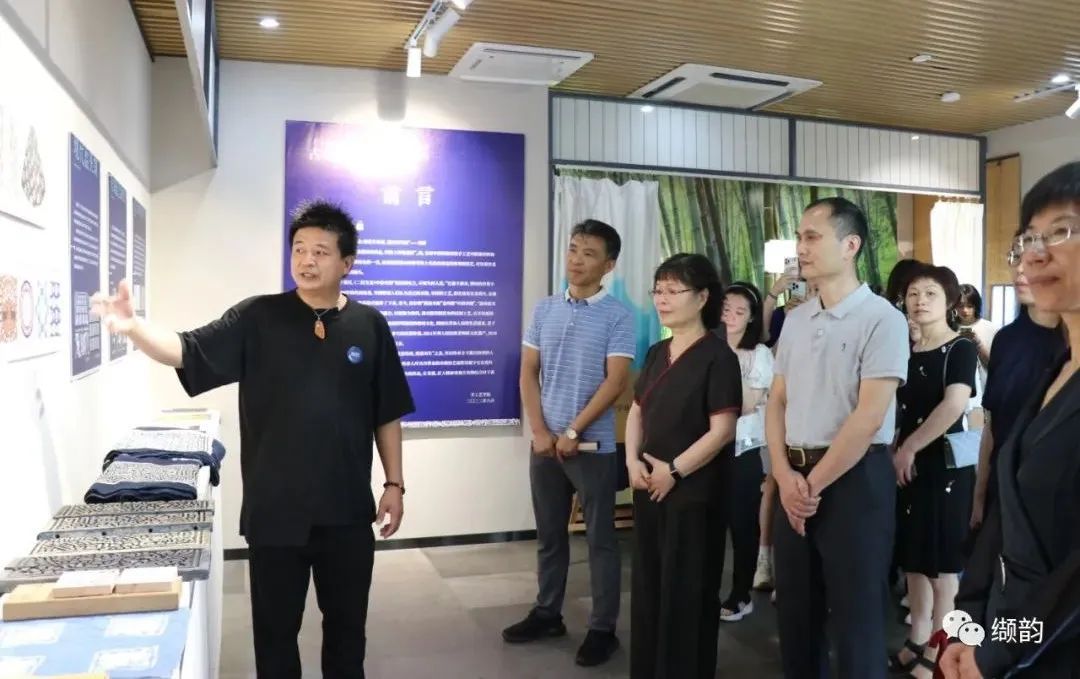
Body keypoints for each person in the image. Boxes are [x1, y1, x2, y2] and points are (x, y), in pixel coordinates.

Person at [91, 201, 414, 679]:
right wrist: (134, 328)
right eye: (299, 249)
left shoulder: (370, 325)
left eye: (321, 251)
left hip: (346, 512)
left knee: (348, 636)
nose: (306, 260)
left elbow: (386, 412)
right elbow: (187, 349)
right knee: (275, 638)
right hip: (275, 515)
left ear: (347, 263)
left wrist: (394, 484)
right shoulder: (258, 317)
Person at [940, 161, 1080, 678]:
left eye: (1061, 231)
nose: (1036, 253)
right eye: (1028, 238)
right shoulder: (1053, 370)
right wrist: (968, 628)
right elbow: (1004, 519)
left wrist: (996, 651)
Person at [765, 196, 910, 679]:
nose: (801, 248)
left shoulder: (882, 318)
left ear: (851, 246)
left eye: (812, 237)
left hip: (854, 480)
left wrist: (811, 486)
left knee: (856, 619)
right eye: (799, 237)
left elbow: (869, 418)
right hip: (794, 478)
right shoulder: (795, 319)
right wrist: (784, 475)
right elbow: (777, 401)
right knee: (796, 615)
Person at [502, 219, 634, 668]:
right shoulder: (545, 310)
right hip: (545, 448)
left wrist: (575, 431)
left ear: (608, 265)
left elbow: (616, 381)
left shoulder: (618, 315)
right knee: (549, 535)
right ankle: (547, 613)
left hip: (593, 449)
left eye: (588, 253)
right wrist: (540, 431)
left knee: (601, 541)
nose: (576, 260)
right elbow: (528, 372)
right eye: (573, 249)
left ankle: (602, 629)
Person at [626, 253, 741, 679]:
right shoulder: (657, 351)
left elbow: (722, 430)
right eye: (658, 290)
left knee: (688, 589)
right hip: (649, 487)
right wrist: (631, 460)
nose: (662, 299)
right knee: (649, 585)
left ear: (703, 297)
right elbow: (637, 410)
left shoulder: (718, 356)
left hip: (694, 493)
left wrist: (673, 471)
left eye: (673, 290)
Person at [888, 264, 977, 679]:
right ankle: (918, 637)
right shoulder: (904, 349)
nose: (920, 301)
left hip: (943, 466)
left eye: (930, 294)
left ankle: (941, 649)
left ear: (950, 302)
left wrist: (909, 447)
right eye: (913, 294)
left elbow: (954, 405)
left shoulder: (960, 348)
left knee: (942, 566)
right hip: (907, 466)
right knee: (915, 557)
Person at [970, 252, 1065, 530]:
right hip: (1003, 489)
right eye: (1014, 256)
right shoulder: (1006, 338)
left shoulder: (1069, 340)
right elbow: (993, 423)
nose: (1021, 268)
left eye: (1035, 258)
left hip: (1055, 497)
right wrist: (979, 495)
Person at [718, 282, 774, 623]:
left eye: (740, 312)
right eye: (726, 309)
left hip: (742, 447)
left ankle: (741, 594)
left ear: (751, 318)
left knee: (742, 525)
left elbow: (746, 404)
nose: (731, 317)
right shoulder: (704, 346)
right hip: (704, 448)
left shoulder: (759, 355)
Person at [956, 285, 997, 430]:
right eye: (961, 306)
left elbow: (996, 366)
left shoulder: (990, 328)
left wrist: (978, 344)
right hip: (956, 391)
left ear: (976, 306)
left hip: (986, 390)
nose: (965, 310)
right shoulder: (949, 328)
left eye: (970, 306)